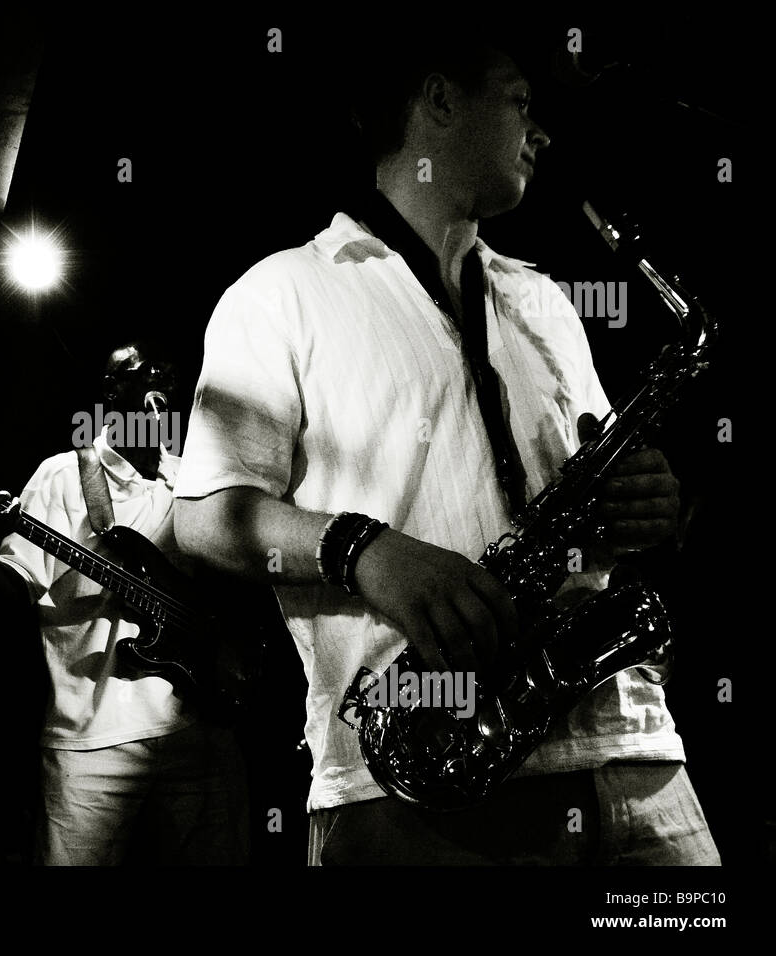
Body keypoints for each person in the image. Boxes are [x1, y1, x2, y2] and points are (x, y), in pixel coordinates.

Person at [171, 29, 720, 865]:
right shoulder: (280, 292)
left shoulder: (543, 302)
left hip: (636, 756)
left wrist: (648, 505)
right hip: (420, 781)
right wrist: (367, 551)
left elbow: (600, 507)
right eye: (521, 103)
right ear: (438, 100)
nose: (541, 135)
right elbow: (205, 520)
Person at [0, 342, 248, 865]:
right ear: (109, 391)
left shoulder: (196, 483)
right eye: (141, 371)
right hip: (91, 739)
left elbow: (234, 592)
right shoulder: (62, 475)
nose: (158, 381)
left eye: (167, 372)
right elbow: (15, 586)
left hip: (200, 724)